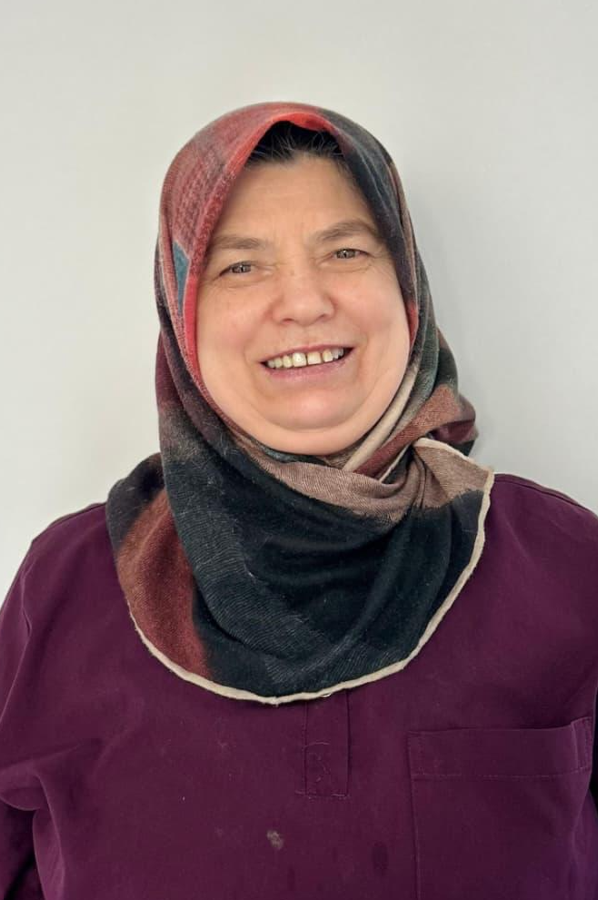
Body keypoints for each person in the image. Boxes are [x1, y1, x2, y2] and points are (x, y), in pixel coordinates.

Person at [1, 100, 597, 900]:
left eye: (345, 250)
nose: (304, 302)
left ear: (406, 288)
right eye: (241, 266)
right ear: (181, 311)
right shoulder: (68, 588)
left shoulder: (562, 563)